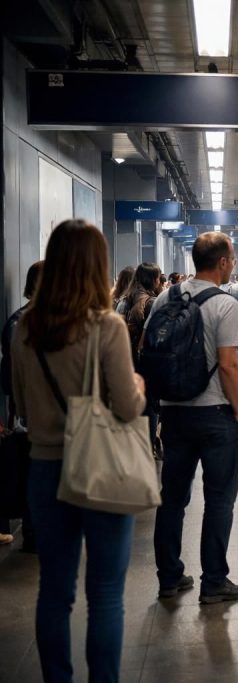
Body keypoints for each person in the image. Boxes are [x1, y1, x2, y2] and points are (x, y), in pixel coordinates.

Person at [11, 219, 146, 682]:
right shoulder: (106, 326)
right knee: (105, 593)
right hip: (101, 464)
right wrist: (138, 385)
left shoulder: (25, 328)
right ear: (96, 265)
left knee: (54, 591)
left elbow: (21, 403)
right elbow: (127, 408)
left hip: (45, 467)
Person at [150, 232, 238, 604]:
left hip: (174, 412)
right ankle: (214, 582)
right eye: (232, 258)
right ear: (222, 262)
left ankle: (169, 578)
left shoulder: (165, 298)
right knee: (219, 499)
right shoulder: (225, 304)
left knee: (172, 498)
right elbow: (229, 364)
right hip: (215, 414)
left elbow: (150, 349)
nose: (233, 264)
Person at [0, 260, 43, 552]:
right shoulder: (28, 323)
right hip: (34, 414)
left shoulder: (18, 321)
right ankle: (35, 533)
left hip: (29, 412)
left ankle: (35, 532)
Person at [122, 263, 163, 459]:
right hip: (147, 363)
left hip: (127, 362)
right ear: (153, 280)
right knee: (150, 407)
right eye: (158, 278)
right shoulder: (152, 302)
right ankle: (148, 448)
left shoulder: (124, 301)